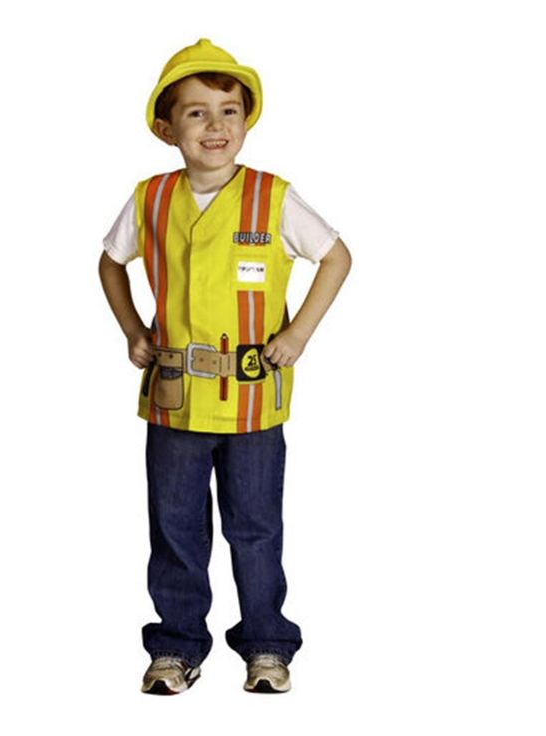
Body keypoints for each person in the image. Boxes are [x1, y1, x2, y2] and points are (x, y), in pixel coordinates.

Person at [98, 38, 351, 694]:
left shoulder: (273, 197)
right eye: (197, 113)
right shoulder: (150, 199)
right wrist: (132, 329)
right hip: (174, 399)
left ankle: (267, 644)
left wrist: (298, 333)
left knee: (255, 527)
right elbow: (109, 262)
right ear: (165, 127)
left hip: (252, 399)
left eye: (230, 111)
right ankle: (178, 645)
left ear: (247, 120)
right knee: (176, 528)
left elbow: (336, 257)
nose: (216, 126)